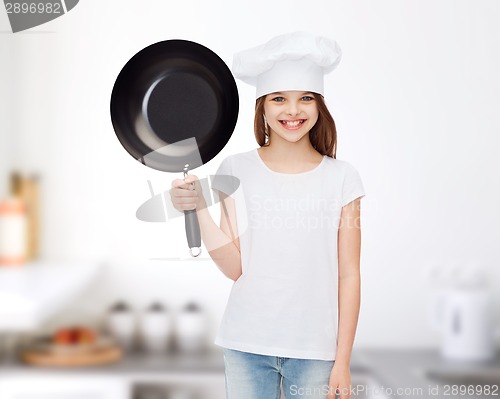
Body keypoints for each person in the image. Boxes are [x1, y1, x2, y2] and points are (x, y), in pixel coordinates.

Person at [170, 31, 365, 399]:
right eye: (279, 99)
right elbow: (235, 268)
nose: (293, 111)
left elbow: (349, 275)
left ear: (319, 104)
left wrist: (343, 360)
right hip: (245, 343)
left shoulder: (342, 178)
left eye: (305, 98)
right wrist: (198, 209)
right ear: (263, 106)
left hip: (315, 352)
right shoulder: (235, 169)